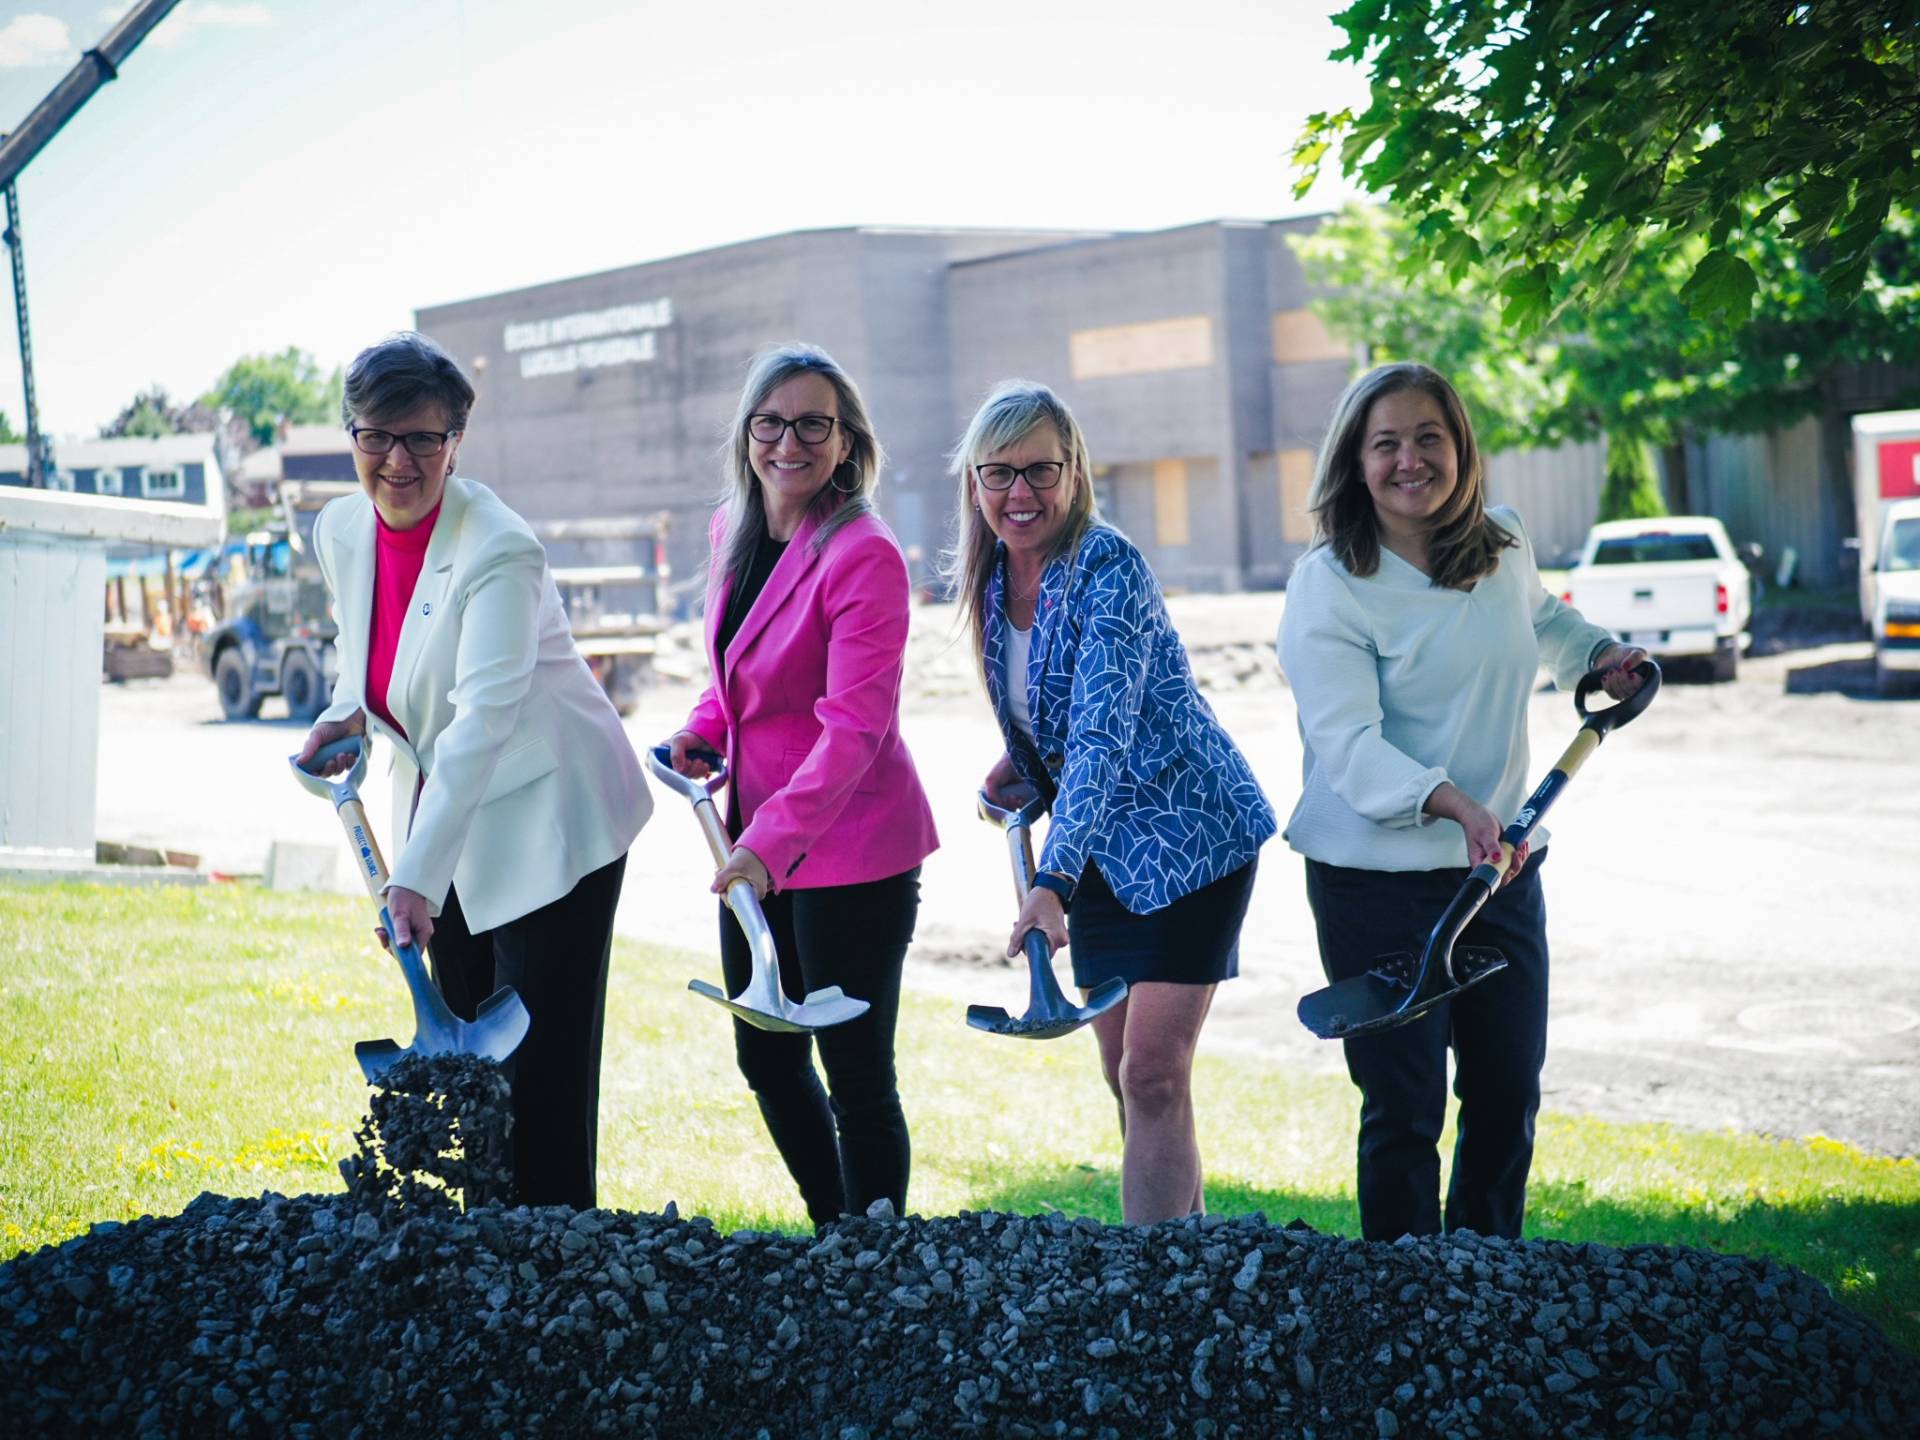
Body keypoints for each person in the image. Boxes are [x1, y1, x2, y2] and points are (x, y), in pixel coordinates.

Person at [1276, 360, 1647, 1242]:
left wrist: (1598, 657)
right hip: (1378, 883)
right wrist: (1455, 804)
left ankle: (1486, 1291)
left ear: (1461, 448)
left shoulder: (1502, 542)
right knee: (1405, 1109)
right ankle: (1406, 1311)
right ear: (1354, 462)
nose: (1412, 460)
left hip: (1501, 872)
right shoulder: (1329, 584)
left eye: (1429, 437)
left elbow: (1544, 622)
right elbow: (1350, 746)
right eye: (1387, 443)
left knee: (1506, 1091)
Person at [296, 331, 649, 1209]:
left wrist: (413, 878)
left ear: (457, 441)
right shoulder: (342, 527)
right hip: (446, 811)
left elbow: (480, 724)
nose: (396, 459)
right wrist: (349, 710)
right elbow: (365, 647)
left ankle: (560, 1271)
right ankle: (481, 1270)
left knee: (542, 1082)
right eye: (375, 436)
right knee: (466, 1077)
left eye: (422, 437)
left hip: (549, 815)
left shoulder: (499, 550)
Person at [947, 380, 1276, 1225]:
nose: (1021, 493)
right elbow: (1057, 714)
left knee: (1154, 1073)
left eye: (1040, 470)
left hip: (1188, 835)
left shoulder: (1108, 566)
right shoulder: (992, 585)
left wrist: (1050, 883)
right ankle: (1191, 1258)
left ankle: (1152, 1293)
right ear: (975, 484)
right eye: (999, 474)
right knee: (1125, 1077)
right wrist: (1020, 762)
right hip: (1097, 851)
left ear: (1075, 470)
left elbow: (1103, 735)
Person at [664, 344, 937, 1227]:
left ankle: (878, 1264)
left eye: (813, 423)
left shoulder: (865, 555)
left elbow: (853, 730)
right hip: (754, 847)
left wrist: (763, 848)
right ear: (746, 433)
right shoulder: (732, 531)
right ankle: (837, 1240)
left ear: (847, 441)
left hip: (849, 852)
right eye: (770, 421)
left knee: (855, 1076)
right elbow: (733, 675)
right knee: (768, 1060)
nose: (789, 441)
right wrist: (702, 733)